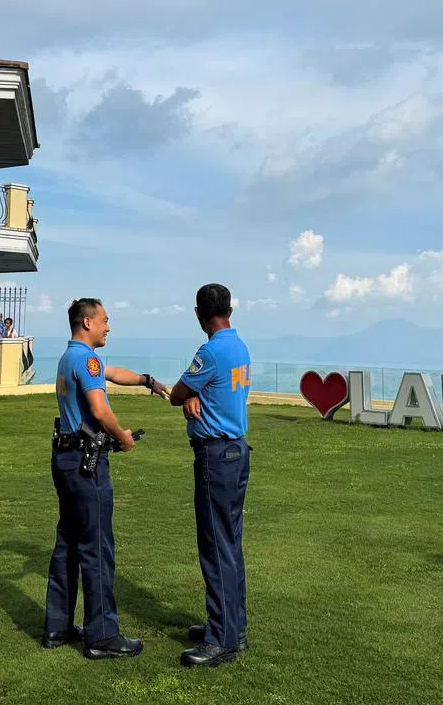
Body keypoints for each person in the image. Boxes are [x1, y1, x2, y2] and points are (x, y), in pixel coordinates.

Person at [43, 297, 171, 660]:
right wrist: (122, 436)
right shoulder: (88, 358)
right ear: (87, 323)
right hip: (87, 465)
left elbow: (112, 374)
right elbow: (100, 410)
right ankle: (102, 636)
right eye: (104, 320)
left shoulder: (70, 357)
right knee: (97, 547)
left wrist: (148, 381)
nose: (108, 327)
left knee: (67, 542)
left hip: (64, 460)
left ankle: (57, 626)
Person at [169, 283, 252, 668]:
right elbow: (209, 391)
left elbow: (177, 392)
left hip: (214, 456)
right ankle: (234, 627)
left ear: (201, 315)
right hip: (236, 452)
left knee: (216, 546)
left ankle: (221, 639)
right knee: (230, 543)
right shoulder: (240, 346)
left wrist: (188, 395)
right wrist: (194, 395)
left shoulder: (211, 350)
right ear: (230, 310)